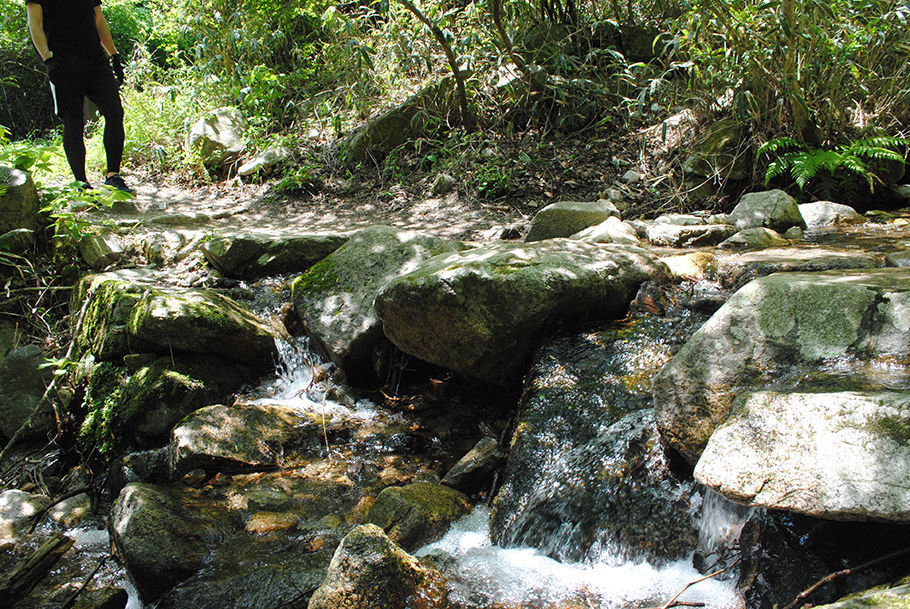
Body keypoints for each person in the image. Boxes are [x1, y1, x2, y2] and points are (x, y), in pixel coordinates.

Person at [25, 0, 133, 194]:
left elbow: (98, 18)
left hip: (95, 59)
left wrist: (114, 55)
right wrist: (48, 60)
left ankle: (113, 176)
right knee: (73, 120)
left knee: (115, 112)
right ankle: (81, 183)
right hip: (61, 61)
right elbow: (35, 24)